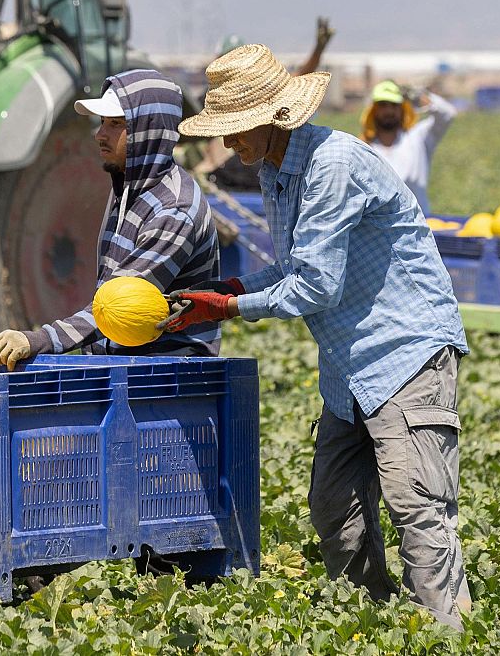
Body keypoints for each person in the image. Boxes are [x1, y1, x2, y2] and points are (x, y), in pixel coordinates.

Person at [163, 44, 471, 631]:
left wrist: (229, 307)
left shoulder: (332, 166)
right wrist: (226, 286)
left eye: (234, 131)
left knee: (416, 506)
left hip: (403, 351)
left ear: (270, 118)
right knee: (335, 508)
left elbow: (316, 287)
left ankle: (446, 633)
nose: (228, 145)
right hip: (348, 365)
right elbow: (291, 268)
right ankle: (372, 624)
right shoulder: (276, 172)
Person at [0, 68, 221, 369]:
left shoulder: (172, 209)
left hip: (167, 371)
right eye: (102, 123)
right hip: (127, 364)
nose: (100, 135)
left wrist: (41, 339)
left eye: (115, 124)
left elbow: (120, 305)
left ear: (147, 130)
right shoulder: (129, 188)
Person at [195, 17, 335, 191]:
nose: (228, 141)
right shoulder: (209, 100)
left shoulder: (325, 165)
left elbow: (297, 77)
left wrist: (318, 50)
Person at [359, 80, 457, 215]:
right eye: (382, 105)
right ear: (373, 110)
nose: (389, 111)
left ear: (402, 108)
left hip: (419, 224)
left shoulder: (417, 137)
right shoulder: (365, 148)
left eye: (394, 105)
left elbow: (448, 114)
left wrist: (420, 94)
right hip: (382, 229)